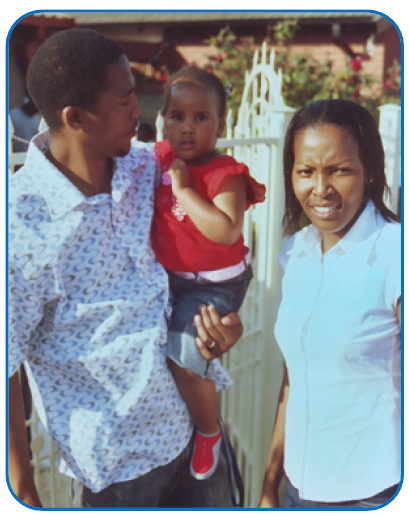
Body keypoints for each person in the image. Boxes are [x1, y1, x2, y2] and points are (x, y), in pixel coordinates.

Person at [8, 28, 252, 509]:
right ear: (75, 118)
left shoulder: (148, 168)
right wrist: (20, 490)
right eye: (124, 102)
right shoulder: (21, 225)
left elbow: (215, 242)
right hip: (119, 471)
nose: (140, 112)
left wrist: (225, 322)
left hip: (194, 432)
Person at [259, 99, 401, 509]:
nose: (320, 189)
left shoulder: (395, 254)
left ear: (370, 170)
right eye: (306, 171)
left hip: (371, 494)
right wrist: (270, 486)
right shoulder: (296, 252)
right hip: (297, 490)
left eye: (339, 170)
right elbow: (294, 379)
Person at [151, 65, 263, 481]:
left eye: (200, 118)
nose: (186, 127)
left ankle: (208, 430)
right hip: (173, 280)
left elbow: (225, 229)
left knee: (183, 358)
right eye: (177, 116)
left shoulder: (224, 173)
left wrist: (183, 191)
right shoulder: (161, 157)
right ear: (163, 120)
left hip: (215, 285)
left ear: (219, 125)